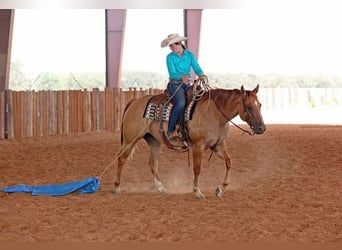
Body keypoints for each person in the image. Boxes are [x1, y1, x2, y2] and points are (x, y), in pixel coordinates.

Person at [161, 33, 207, 141]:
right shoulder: (170, 57)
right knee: (181, 103)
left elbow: (196, 67)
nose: (170, 48)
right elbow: (172, 73)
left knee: (199, 100)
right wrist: (182, 77)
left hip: (187, 85)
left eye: (171, 46)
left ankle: (192, 127)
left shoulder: (190, 55)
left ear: (178, 44)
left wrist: (201, 75)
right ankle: (171, 130)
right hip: (174, 84)